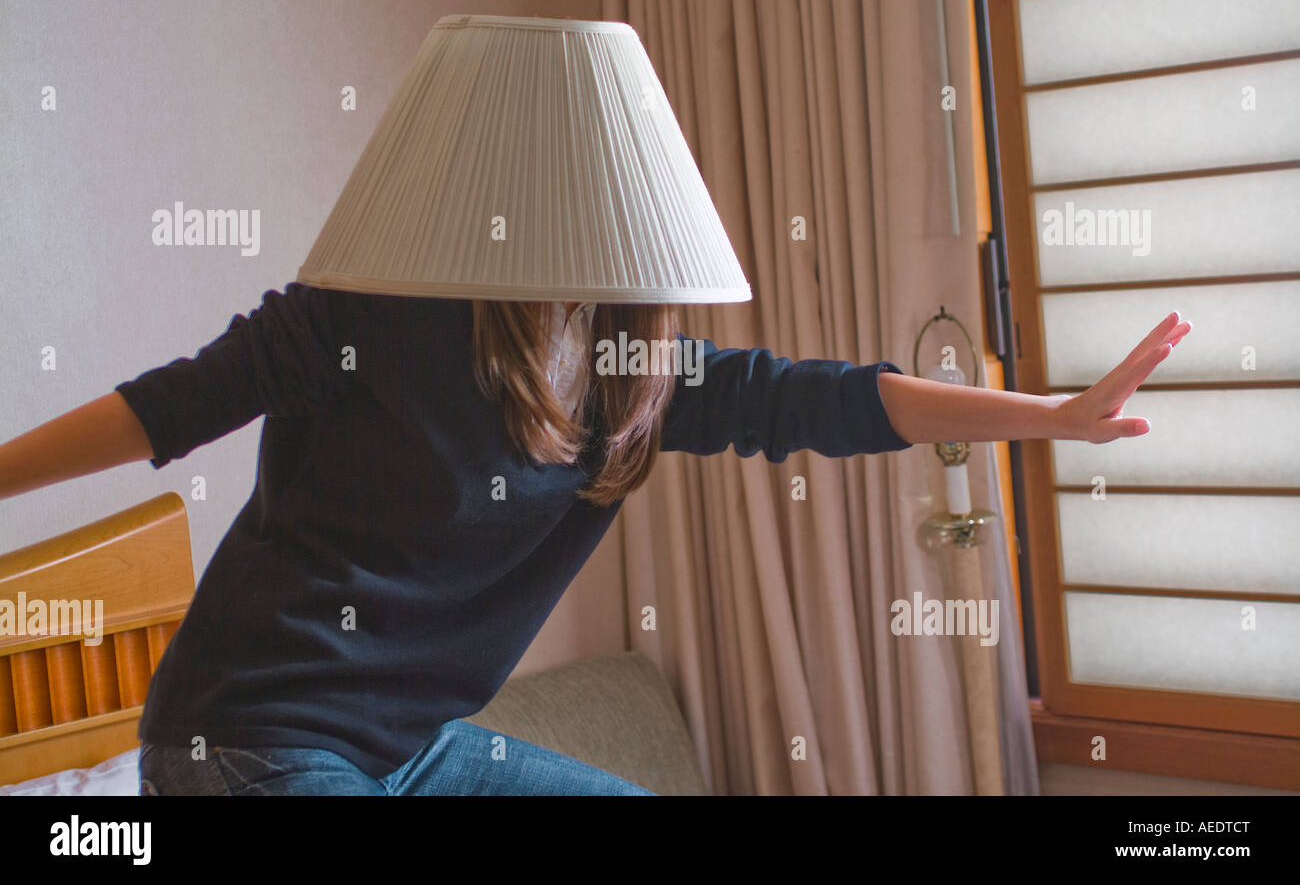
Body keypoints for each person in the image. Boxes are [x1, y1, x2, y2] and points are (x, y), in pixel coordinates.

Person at [0, 286, 1190, 795]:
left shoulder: (639, 373)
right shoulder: (370, 309)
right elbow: (171, 403)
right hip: (242, 742)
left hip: (407, 752)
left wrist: (1048, 418)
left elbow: (842, 398)